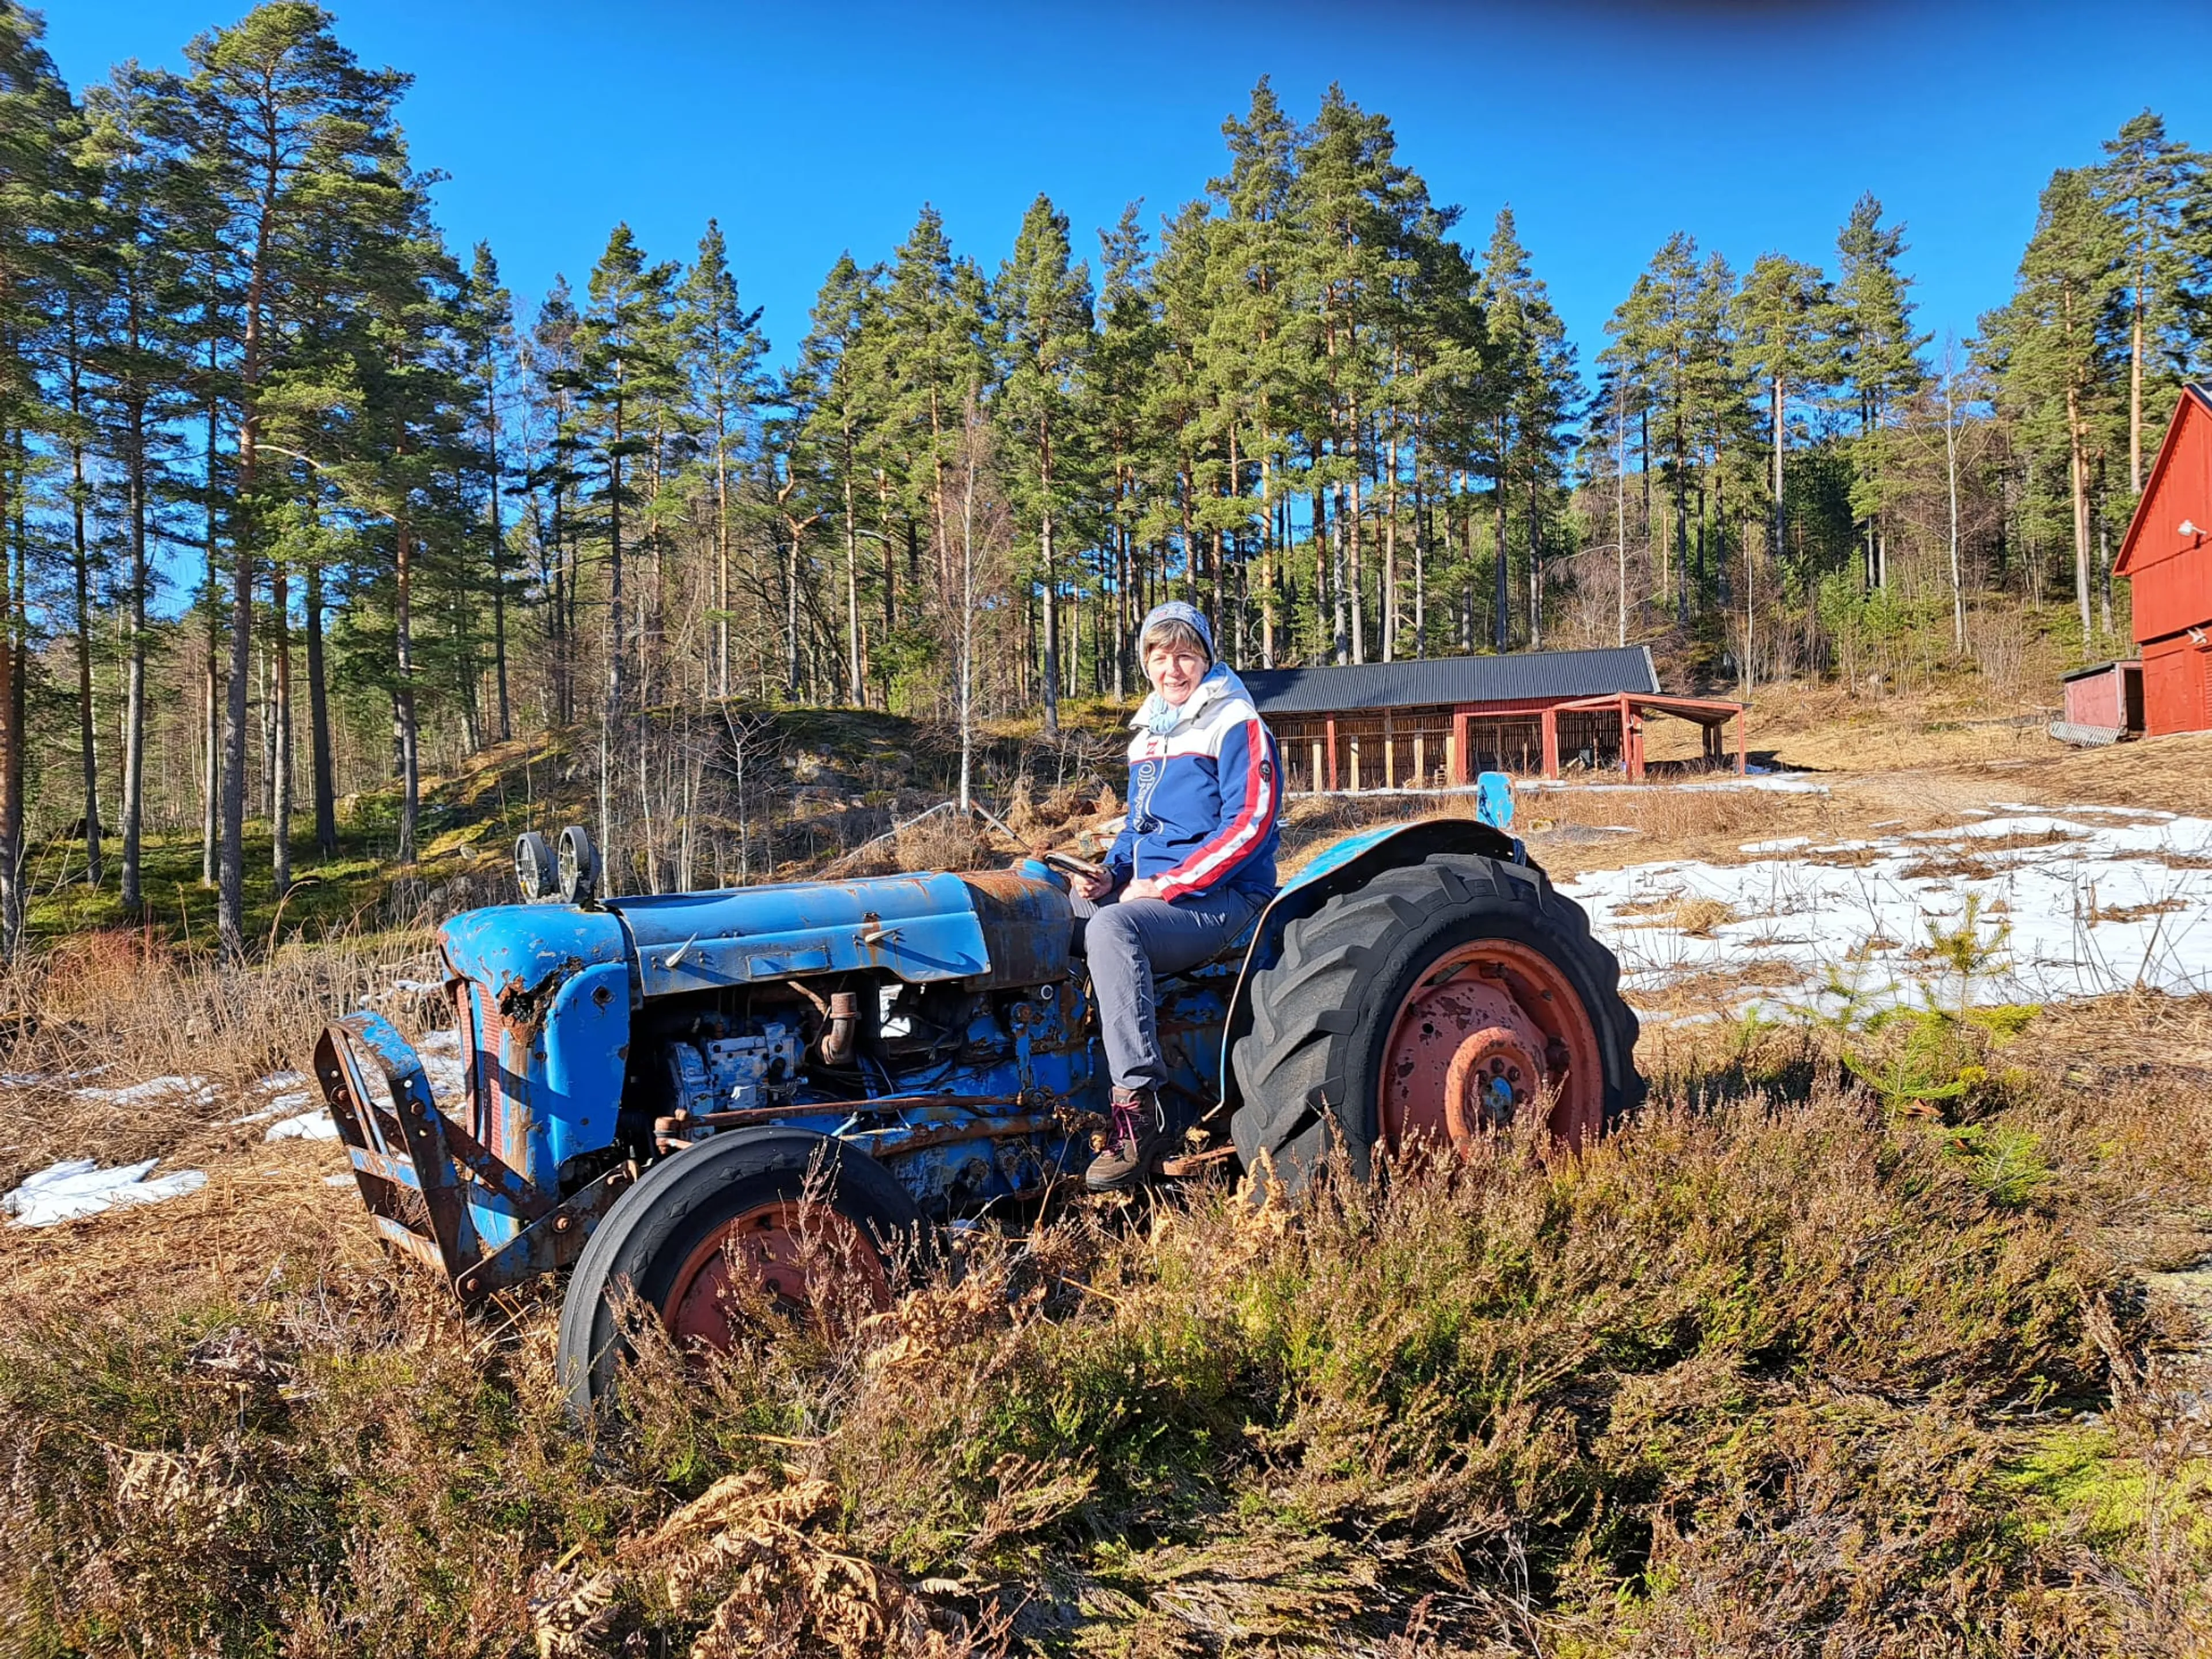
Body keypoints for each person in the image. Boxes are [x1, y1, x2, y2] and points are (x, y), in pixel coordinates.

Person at [1074, 600, 1281, 1191]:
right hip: (1153, 892)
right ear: (1145, 663)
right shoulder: (1150, 732)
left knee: (1112, 930)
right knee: (1054, 913)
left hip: (1225, 896)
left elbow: (1250, 825)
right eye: (1160, 656)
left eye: (1186, 654)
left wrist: (1169, 883)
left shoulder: (1234, 721)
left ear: (1206, 658)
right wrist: (1109, 875)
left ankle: (1138, 1108)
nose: (1173, 668)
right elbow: (1138, 829)